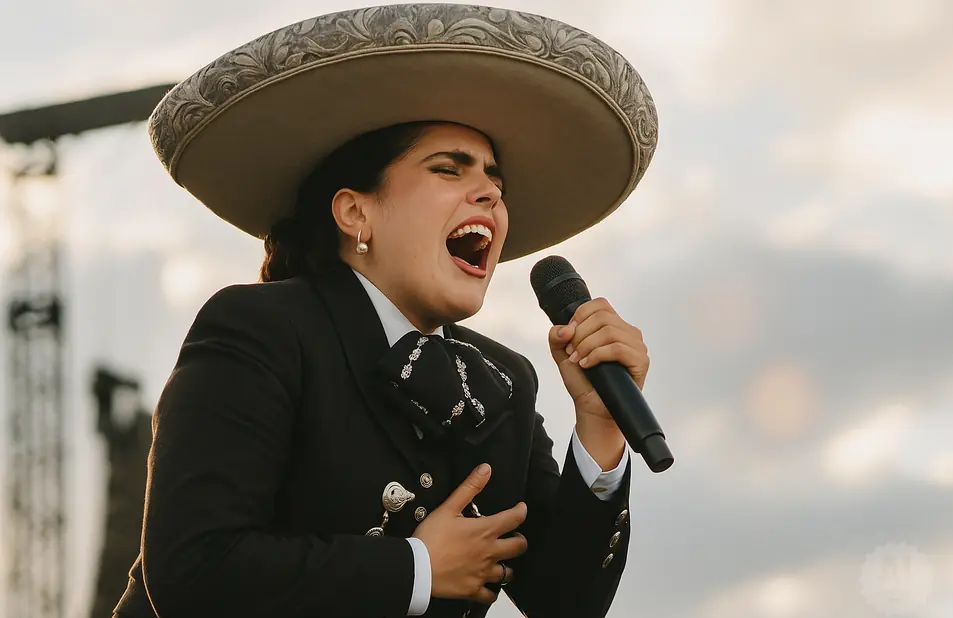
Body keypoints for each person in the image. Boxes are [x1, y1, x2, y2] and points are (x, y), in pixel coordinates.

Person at [113, 4, 659, 618]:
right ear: (355, 214)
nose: (489, 194)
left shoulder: (502, 384)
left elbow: (566, 602)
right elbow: (194, 571)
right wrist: (417, 569)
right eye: (449, 169)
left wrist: (599, 424)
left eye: (496, 186)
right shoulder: (261, 329)